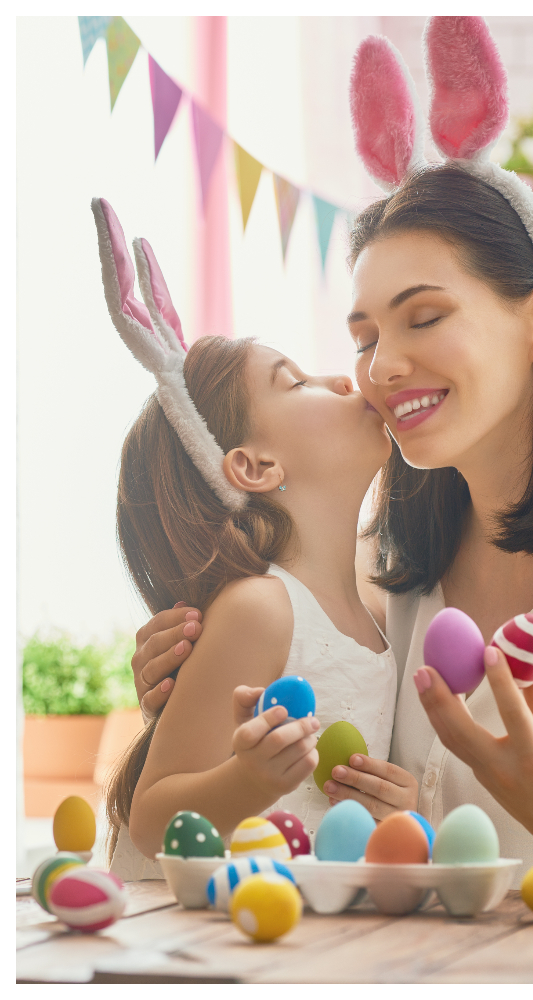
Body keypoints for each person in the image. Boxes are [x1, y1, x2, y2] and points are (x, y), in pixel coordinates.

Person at [128, 19, 533, 878]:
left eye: (424, 317)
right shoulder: (390, 578)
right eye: (364, 336)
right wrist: (186, 693)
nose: (381, 368)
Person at [92, 199, 411, 880]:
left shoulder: (380, 614)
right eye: (296, 382)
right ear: (255, 466)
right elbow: (152, 817)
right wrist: (249, 781)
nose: (343, 379)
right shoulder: (262, 609)